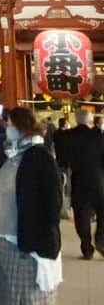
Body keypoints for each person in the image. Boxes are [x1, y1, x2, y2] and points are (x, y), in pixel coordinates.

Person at [0, 106, 62, 305]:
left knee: (33, 291)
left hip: (26, 236)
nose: (6, 128)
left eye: (9, 124)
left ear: (23, 126)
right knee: (4, 287)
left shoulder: (39, 156)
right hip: (2, 232)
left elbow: (53, 200)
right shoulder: (10, 155)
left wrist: (43, 233)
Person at [63, 109, 104, 260]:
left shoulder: (68, 136)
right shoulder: (99, 136)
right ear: (90, 120)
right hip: (99, 181)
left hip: (79, 181)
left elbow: (63, 161)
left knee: (81, 216)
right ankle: (101, 238)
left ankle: (87, 248)